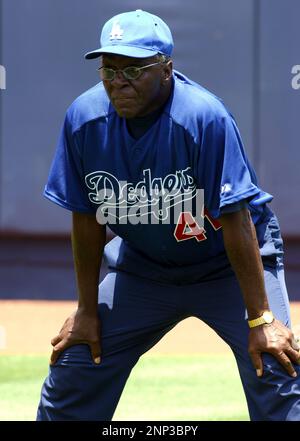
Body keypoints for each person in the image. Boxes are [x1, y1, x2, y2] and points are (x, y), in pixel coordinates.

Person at [37, 9, 300, 421]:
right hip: (143, 269)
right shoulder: (84, 120)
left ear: (166, 69)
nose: (118, 83)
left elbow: (237, 220)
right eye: (109, 70)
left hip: (227, 268)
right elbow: (87, 218)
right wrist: (87, 310)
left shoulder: (203, 118)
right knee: (76, 363)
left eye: (133, 70)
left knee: (277, 368)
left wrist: (260, 318)